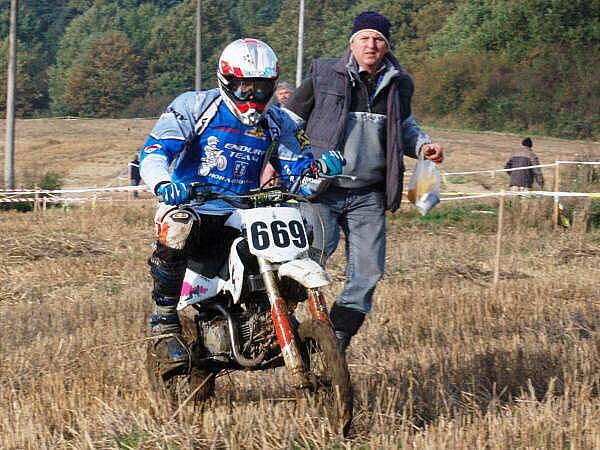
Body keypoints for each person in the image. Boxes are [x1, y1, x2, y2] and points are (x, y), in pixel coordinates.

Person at [138, 38, 345, 379]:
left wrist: (320, 170)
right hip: (194, 205)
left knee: (298, 224)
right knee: (176, 224)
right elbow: (154, 151)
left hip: (245, 211)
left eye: (262, 89)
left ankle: (274, 316)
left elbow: (299, 177)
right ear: (227, 81)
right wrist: (164, 183)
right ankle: (163, 323)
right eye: (246, 88)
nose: (253, 98)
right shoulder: (194, 107)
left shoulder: (280, 122)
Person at [284, 11, 445, 354]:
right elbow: (288, 121)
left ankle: (336, 340)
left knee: (369, 271)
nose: (372, 45)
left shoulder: (399, 84)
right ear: (352, 42)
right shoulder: (324, 74)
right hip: (320, 190)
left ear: (387, 46)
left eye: (379, 39)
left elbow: (404, 126)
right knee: (311, 258)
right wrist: (279, 161)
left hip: (368, 194)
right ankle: (280, 319)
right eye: (365, 38)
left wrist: (423, 145)